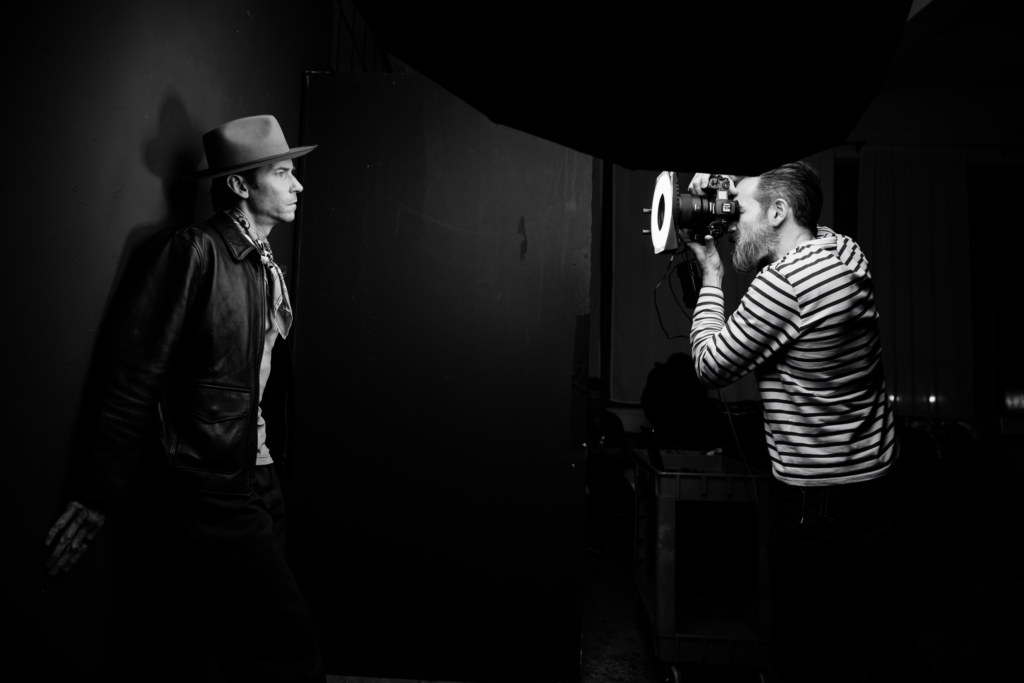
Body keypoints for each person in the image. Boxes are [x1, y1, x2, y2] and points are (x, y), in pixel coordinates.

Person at [43, 115, 326, 682]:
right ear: (242, 185)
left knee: (244, 642)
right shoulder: (195, 252)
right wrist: (99, 492)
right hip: (213, 483)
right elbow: (132, 372)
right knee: (288, 646)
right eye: (283, 173)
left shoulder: (263, 265)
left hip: (259, 473)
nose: (298, 186)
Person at [684, 163, 929, 682]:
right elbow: (800, 224)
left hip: (814, 501)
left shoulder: (785, 285)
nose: (730, 225)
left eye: (740, 213)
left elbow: (709, 365)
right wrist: (732, 191)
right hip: (877, 482)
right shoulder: (845, 252)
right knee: (888, 638)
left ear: (778, 213)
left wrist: (711, 273)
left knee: (809, 653)